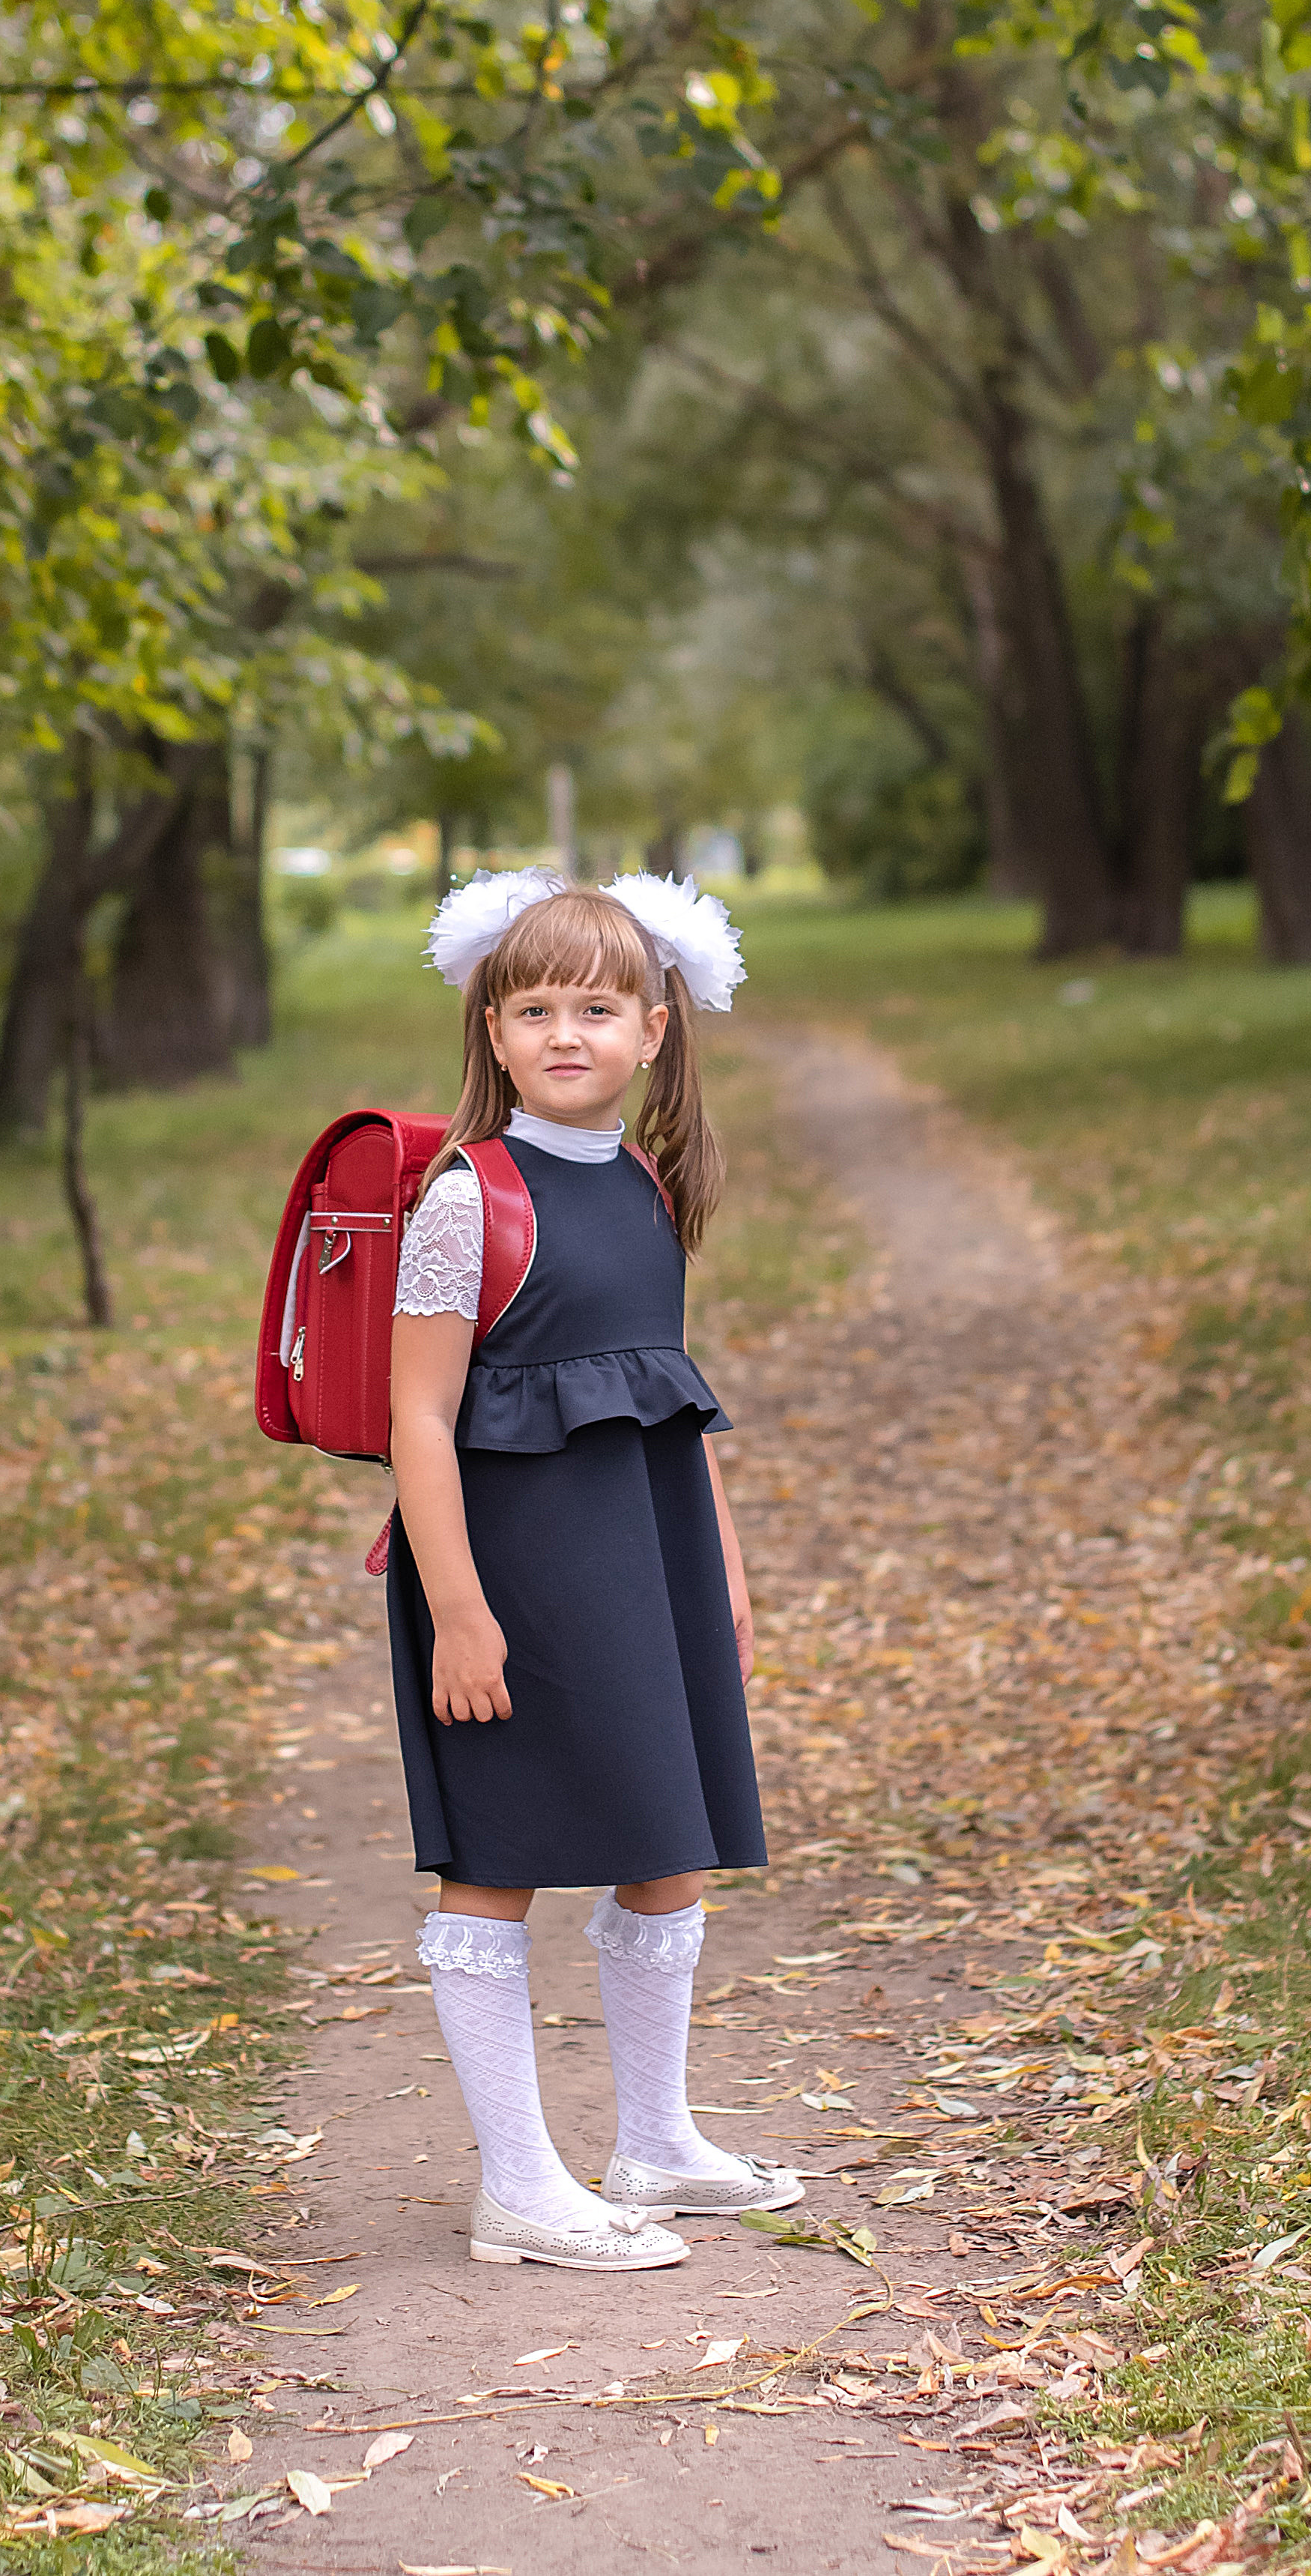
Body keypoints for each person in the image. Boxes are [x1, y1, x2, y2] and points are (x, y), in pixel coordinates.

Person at [385, 868, 803, 2272]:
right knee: (499, 1856)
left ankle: (657, 2142)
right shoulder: (467, 1200)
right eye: (535, 1007)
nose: (568, 1033)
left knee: (664, 1842)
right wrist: (457, 1610)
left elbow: (667, 1398)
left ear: (655, 1028)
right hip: (509, 1581)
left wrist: (723, 1568)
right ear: (492, 1031)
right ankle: (517, 2183)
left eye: (599, 1007)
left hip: (647, 1556)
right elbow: (419, 1418)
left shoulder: (644, 1182)